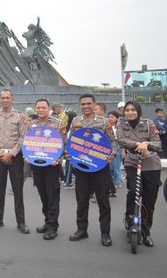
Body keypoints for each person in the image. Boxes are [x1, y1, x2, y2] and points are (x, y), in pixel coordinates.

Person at [68, 94, 117, 247]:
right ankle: (82, 230)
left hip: (100, 167)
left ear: (94, 105)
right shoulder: (76, 121)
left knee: (103, 201)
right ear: (79, 105)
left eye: (89, 103)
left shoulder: (104, 121)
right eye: (83, 104)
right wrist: (69, 155)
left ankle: (105, 233)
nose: (86, 106)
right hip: (81, 167)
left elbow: (113, 141)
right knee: (81, 200)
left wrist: (112, 154)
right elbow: (70, 140)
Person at [116, 101, 162, 247]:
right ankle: (130, 224)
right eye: (127, 110)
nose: (130, 113)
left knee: (149, 200)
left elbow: (158, 144)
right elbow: (121, 140)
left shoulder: (149, 124)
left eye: (133, 110)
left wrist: (147, 144)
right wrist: (138, 144)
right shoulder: (121, 124)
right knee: (134, 193)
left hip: (151, 164)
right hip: (132, 163)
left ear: (139, 111)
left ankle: (145, 231)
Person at [0, 89, 30, 234]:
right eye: (2, 97)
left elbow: (23, 137)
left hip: (15, 157)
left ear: (12, 99)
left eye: (7, 97)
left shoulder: (19, 116)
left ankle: (21, 222)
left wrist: (11, 153)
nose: (5, 100)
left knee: (18, 191)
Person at [29, 99, 66, 240]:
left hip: (52, 166)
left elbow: (64, 143)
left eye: (43, 107)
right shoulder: (31, 124)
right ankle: (47, 221)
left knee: (52, 196)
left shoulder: (57, 124)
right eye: (38, 107)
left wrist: (58, 158)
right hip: (37, 164)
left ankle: (52, 226)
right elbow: (28, 142)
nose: (41, 110)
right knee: (43, 194)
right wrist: (28, 156)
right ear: (35, 109)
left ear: (49, 108)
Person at [107, 111, 123, 188]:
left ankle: (117, 182)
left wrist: (123, 150)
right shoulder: (107, 127)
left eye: (112, 117)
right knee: (110, 166)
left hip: (118, 147)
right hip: (109, 147)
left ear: (116, 118)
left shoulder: (119, 127)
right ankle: (112, 182)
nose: (110, 119)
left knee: (116, 166)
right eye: (109, 117)